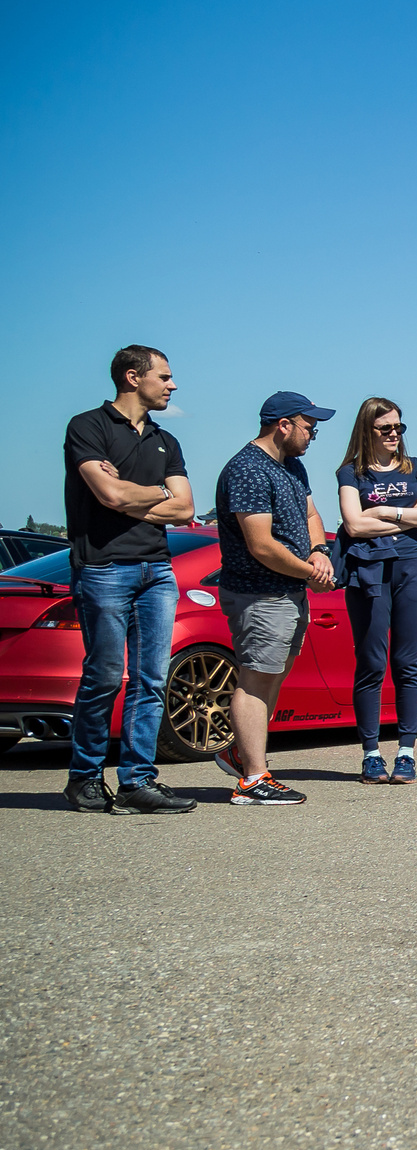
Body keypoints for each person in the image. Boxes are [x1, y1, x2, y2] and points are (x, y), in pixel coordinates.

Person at [61, 344, 199, 815]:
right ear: (133, 376)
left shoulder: (166, 441)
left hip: (157, 570)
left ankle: (138, 781)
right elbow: (108, 494)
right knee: (102, 676)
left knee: (151, 679)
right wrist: (149, 493)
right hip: (103, 568)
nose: (172, 385)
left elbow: (185, 507)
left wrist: (135, 495)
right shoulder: (88, 427)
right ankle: (83, 778)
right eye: (165, 376)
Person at [212, 393, 338, 805]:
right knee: (255, 679)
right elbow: (261, 545)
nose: (313, 435)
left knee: (272, 676)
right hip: (259, 593)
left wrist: (319, 552)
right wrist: (310, 573)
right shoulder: (248, 470)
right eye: (309, 427)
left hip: (288, 592)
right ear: (283, 424)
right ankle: (253, 779)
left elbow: (311, 516)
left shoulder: (292, 466)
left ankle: (242, 753)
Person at [334, 397, 417, 786]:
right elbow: (353, 526)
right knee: (371, 663)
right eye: (386, 428)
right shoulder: (351, 472)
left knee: (408, 662)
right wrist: (408, 517)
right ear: (368, 430)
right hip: (369, 570)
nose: (395, 433)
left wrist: (384, 512)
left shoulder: (416, 468)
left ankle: (407, 754)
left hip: (412, 569)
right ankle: (371, 754)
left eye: (399, 426)